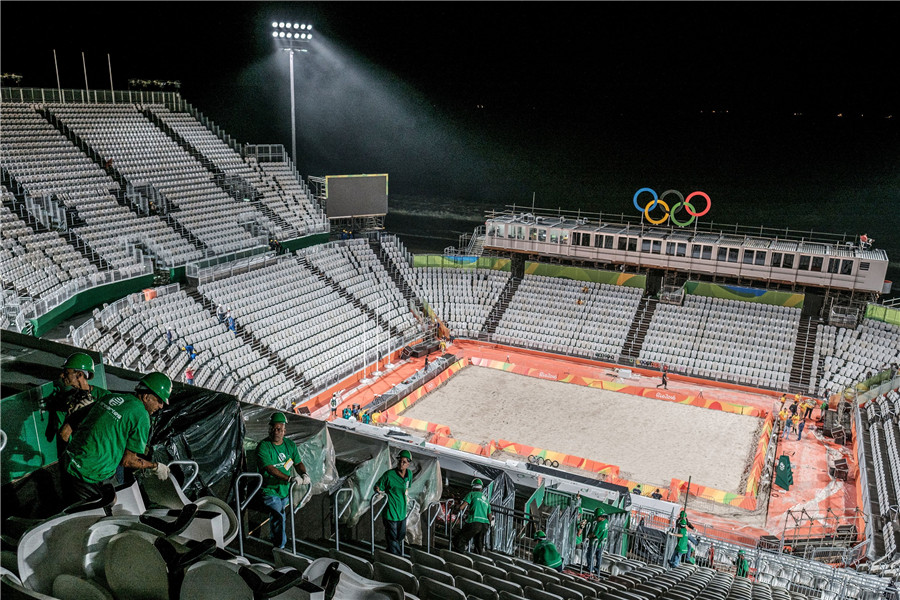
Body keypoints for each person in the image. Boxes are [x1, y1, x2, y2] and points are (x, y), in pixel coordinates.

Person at [63, 372, 173, 504]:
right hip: (89, 474)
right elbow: (127, 462)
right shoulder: (141, 416)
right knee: (97, 518)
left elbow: (66, 429)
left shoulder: (111, 397)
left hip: (69, 461)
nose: (161, 406)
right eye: (159, 401)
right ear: (146, 396)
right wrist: (155, 466)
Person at [256, 412, 309, 549]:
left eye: (279, 429)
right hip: (270, 490)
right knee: (279, 517)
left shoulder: (290, 445)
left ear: (284, 430)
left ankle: (277, 543)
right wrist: (290, 478)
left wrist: (304, 474)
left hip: (285, 490)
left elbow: (297, 463)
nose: (276, 431)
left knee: (279, 518)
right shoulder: (263, 446)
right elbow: (270, 469)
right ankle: (280, 547)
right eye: (273, 428)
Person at [46, 353, 110, 463]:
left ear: (79, 374)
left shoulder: (105, 396)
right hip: (78, 456)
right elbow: (61, 434)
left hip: (101, 453)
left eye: (67, 373)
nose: (62, 375)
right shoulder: (65, 399)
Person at [373, 449, 414, 555]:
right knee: (392, 537)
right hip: (391, 511)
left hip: (402, 512)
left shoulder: (409, 474)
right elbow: (378, 485)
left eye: (404, 462)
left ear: (408, 464)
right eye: (400, 461)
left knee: (400, 536)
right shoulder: (389, 475)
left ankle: (389, 554)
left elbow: (407, 488)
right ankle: (397, 560)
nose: (401, 464)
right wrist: (378, 490)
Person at [455, 478, 493, 555]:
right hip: (485, 524)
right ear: (481, 488)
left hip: (475, 522)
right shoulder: (486, 499)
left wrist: (455, 508)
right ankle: (478, 561)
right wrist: (490, 525)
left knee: (459, 540)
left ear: (473, 487)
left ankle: (460, 558)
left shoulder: (471, 494)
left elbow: (462, 507)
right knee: (479, 545)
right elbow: (489, 515)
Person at [586, 510, 608, 576]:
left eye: (597, 517)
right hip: (602, 544)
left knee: (590, 556)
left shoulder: (599, 524)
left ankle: (590, 568)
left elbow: (594, 534)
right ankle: (597, 569)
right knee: (599, 557)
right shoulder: (606, 521)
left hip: (595, 543)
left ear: (600, 517)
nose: (596, 518)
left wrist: (588, 536)